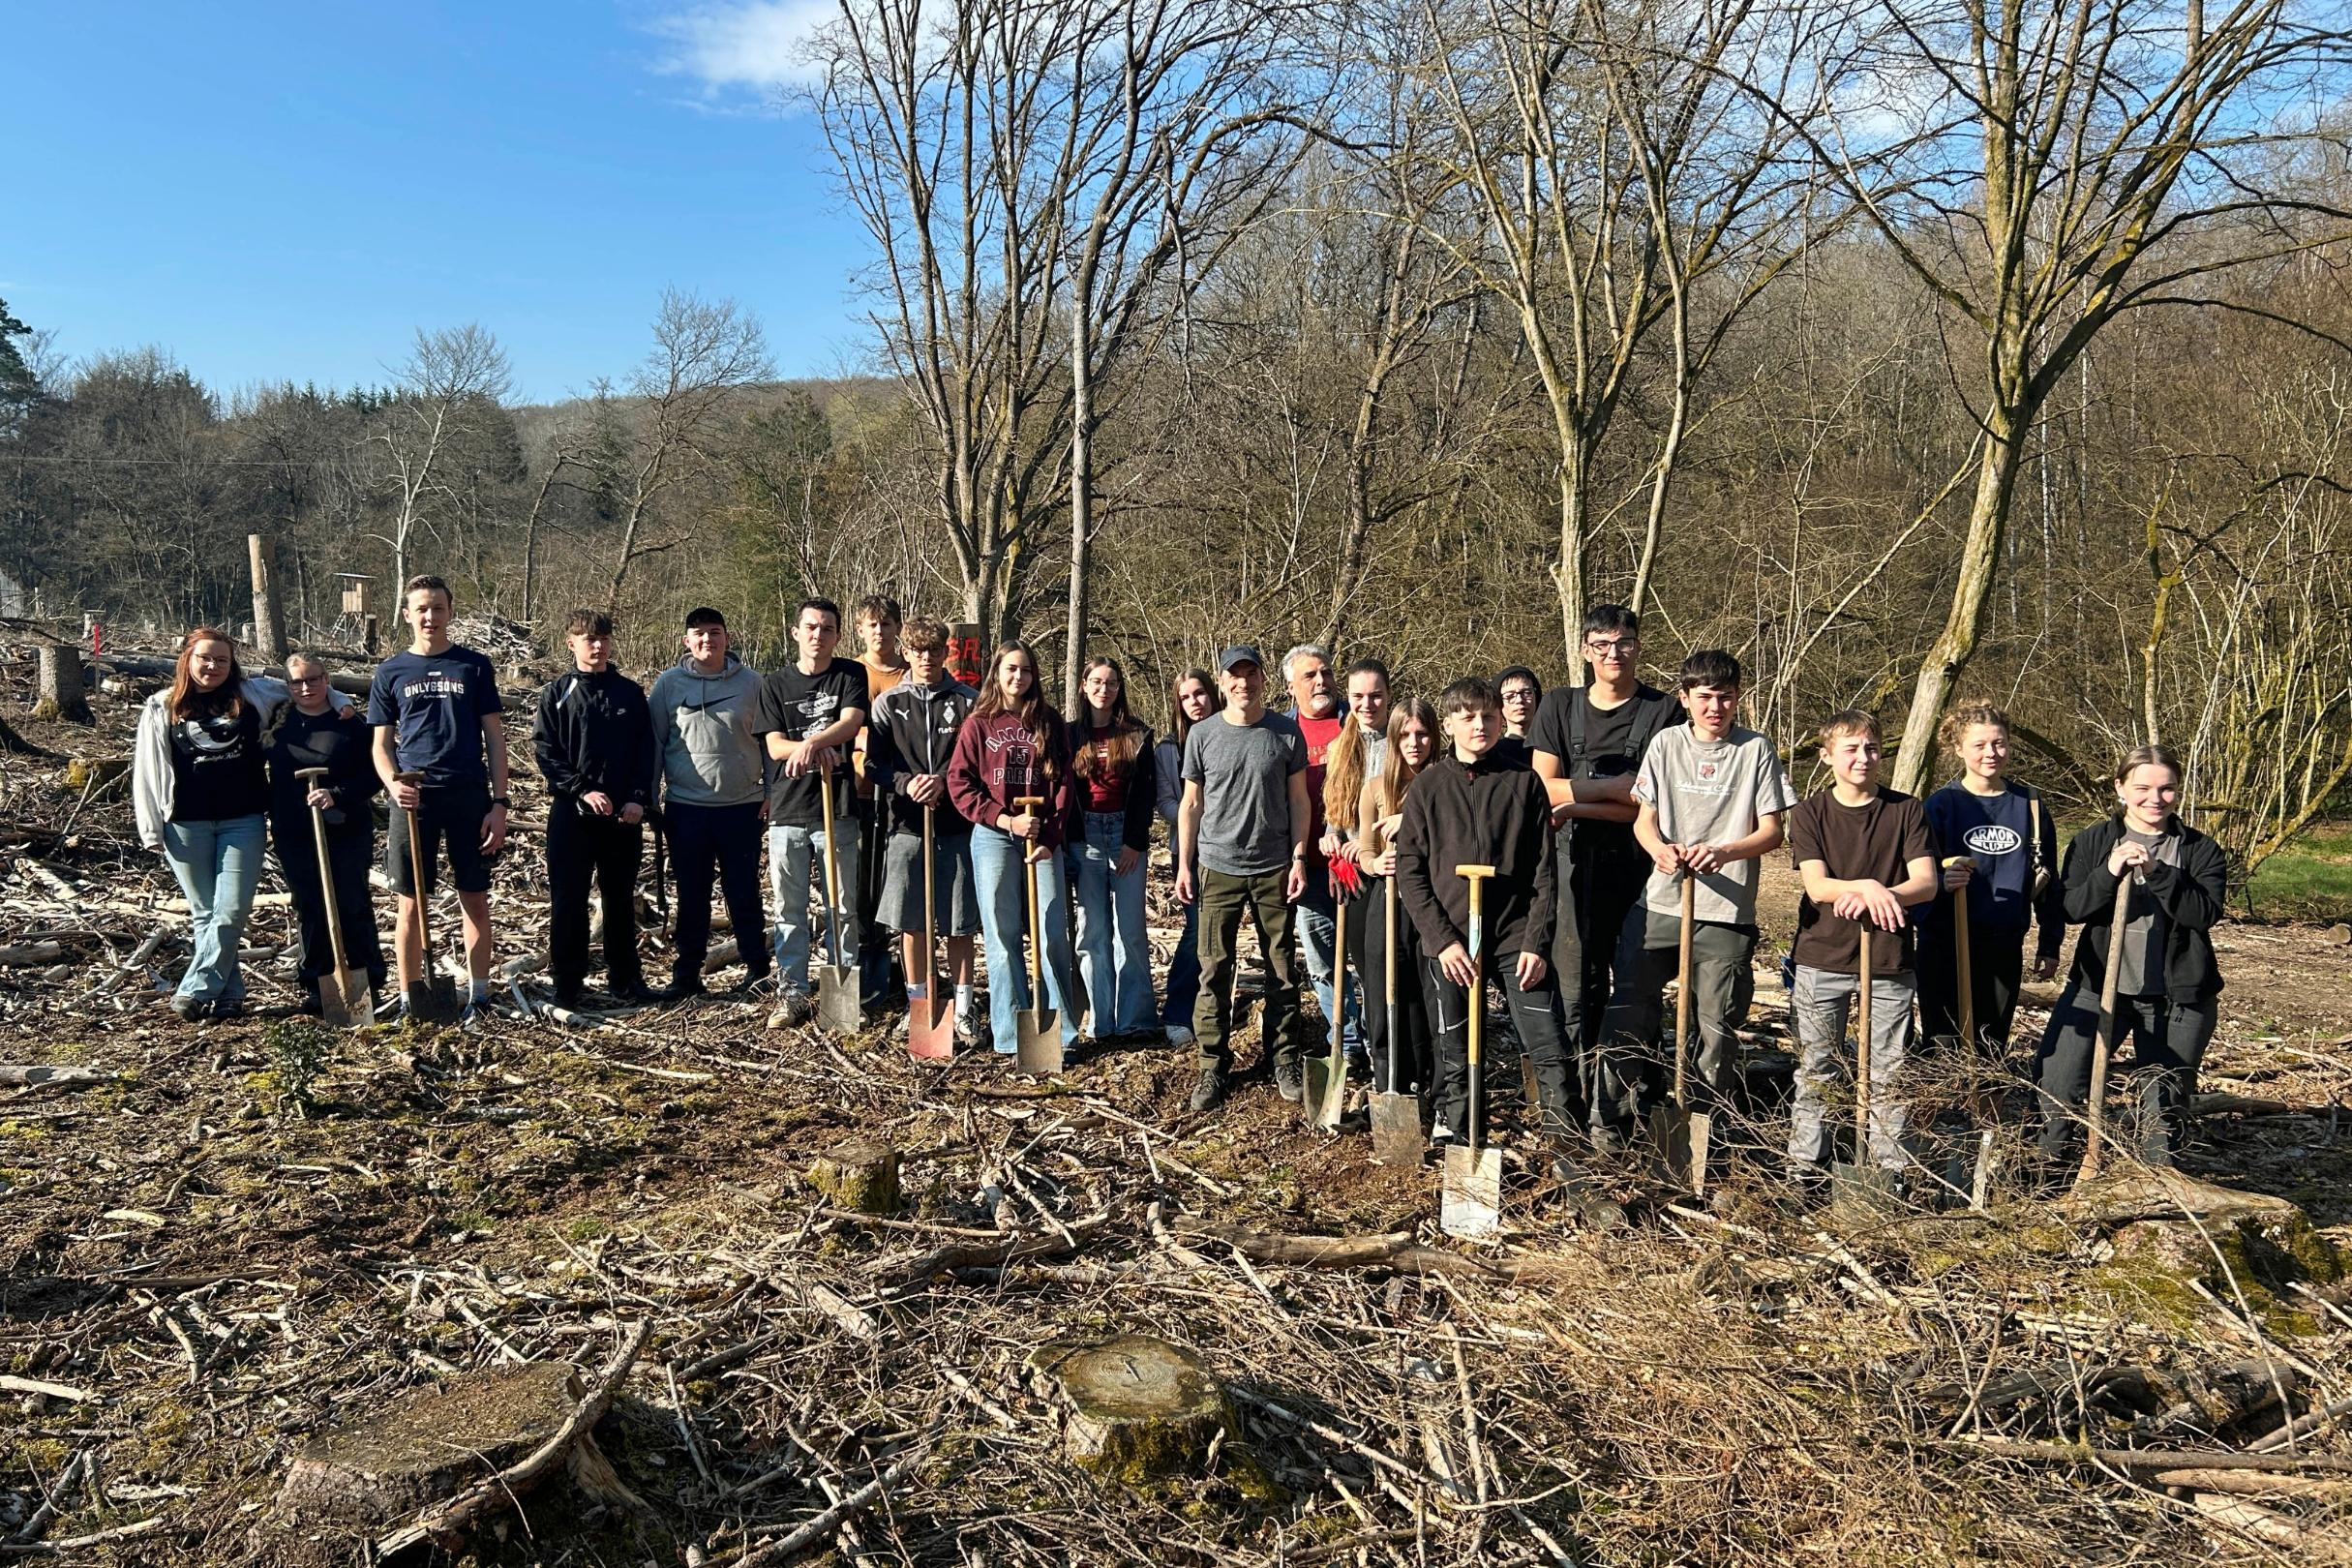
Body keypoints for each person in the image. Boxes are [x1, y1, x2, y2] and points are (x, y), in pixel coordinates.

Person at [1600, 650, 1794, 1140]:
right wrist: (1659, 851)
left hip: (1725, 913)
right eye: (1704, 697)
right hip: (1660, 905)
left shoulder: (1755, 750)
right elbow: (1645, 820)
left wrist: (1726, 850)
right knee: (1628, 1009)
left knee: (1716, 1029)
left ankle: (1703, 1130)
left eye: (1725, 697)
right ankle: (1615, 1119)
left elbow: (1772, 830)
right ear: (1685, 699)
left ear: (1737, 699)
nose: (1715, 707)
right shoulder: (1666, 744)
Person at [1394, 678, 1579, 1161]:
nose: (1481, 725)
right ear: (1449, 724)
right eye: (1469, 717)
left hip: (1514, 937)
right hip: (1452, 941)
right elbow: (1411, 874)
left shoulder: (1524, 782)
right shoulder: (1428, 789)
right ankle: (1465, 1144)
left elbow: (1545, 873)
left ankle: (1568, 1154)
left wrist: (1536, 943)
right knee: (1455, 1052)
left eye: (1489, 716)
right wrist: (1443, 940)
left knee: (1548, 1044)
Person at [1529, 604, 1681, 1146]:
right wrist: (1609, 792)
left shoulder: (1665, 711)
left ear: (1638, 646)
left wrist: (1576, 801)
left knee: (1635, 987)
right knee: (1574, 987)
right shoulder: (1559, 706)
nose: (1613, 654)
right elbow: (1540, 788)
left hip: (1644, 867)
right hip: (1568, 865)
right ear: (1586, 650)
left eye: (1623, 643)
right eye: (1601, 644)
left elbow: (1653, 803)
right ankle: (1570, 1099)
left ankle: (1623, 1098)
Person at [2035, 745, 2227, 1169]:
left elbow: (2203, 914)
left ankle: (2154, 1190)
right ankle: (2044, 1181)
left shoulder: (2199, 849)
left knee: (2162, 1102)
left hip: (2178, 997)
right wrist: (2110, 872)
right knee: (2057, 1084)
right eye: (2142, 788)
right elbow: (2070, 909)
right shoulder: (2094, 841)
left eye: (2167, 789)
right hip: (2099, 987)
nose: (2154, 799)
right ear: (2121, 788)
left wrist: (2158, 873)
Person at [1785, 709, 1940, 1184]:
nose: (1862, 758)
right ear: (1828, 755)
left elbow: (1927, 882)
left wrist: (1883, 893)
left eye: (1870, 748)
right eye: (1850, 749)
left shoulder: (1906, 810)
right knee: (1817, 1068)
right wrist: (1873, 887)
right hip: (1822, 956)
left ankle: (1888, 1171)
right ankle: (1805, 1169)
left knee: (1888, 1072)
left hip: (1890, 959)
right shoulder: (1809, 813)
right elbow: (1818, 887)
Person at [370, 575, 512, 1027]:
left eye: (438, 608)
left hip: (468, 796)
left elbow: (494, 738)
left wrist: (500, 803)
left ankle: (480, 994)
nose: (430, 617)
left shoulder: (473, 666)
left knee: (475, 896)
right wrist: (393, 783)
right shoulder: (391, 671)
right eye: (422, 609)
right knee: (411, 903)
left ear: (450, 612)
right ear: (407, 615)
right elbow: (380, 745)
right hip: (413, 802)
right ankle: (412, 996)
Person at [134, 628, 293, 1021]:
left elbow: (307, 686)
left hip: (244, 818)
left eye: (222, 660)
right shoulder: (161, 706)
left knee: (232, 909)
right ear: (188, 659)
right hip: (186, 824)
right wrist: (151, 827)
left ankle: (194, 988)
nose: (213, 666)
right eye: (205, 658)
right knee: (206, 912)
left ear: (231, 663)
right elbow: (147, 771)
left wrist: (340, 701)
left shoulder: (252, 694)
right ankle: (229, 996)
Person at [1178, 645, 1311, 1111]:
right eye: (1235, 676)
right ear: (1222, 681)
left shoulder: (1285, 733)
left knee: (1281, 971)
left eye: (1251, 674)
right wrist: (1185, 864)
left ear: (1262, 679)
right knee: (1213, 970)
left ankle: (1285, 1060)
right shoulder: (1203, 734)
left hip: (1274, 867)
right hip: (1218, 868)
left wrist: (1298, 858)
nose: (1244, 683)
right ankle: (1212, 1066)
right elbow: (1191, 804)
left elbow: (1299, 801)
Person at [947, 641, 1081, 1057]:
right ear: (997, 673)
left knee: (1050, 933)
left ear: (1033, 675)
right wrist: (1004, 820)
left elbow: (1063, 784)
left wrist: (1049, 838)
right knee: (1002, 937)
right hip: (994, 836)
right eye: (1010, 669)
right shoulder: (978, 724)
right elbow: (959, 783)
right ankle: (1009, 1032)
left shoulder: (1049, 722)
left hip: (1042, 837)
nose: (1017, 677)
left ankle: (1061, 1033)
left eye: (1025, 670)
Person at [1920, 699, 2064, 1061]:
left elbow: (2048, 879)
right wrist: (1941, 880)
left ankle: (1984, 1114)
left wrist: (2049, 943)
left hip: (2003, 942)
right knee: (1943, 1042)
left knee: (1990, 1042)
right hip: (1946, 941)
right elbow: (1917, 876)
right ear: (1959, 748)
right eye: (1979, 745)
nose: (1991, 753)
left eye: (1999, 743)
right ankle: (1940, 1113)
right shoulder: (1941, 805)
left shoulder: (2029, 805)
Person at [752, 597, 869, 1027]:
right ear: (796, 632)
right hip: (788, 812)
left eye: (827, 628)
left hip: (836, 811)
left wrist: (811, 743)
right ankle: (794, 994)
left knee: (842, 908)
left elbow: (851, 722)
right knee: (790, 909)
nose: (818, 635)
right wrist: (810, 747)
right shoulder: (775, 684)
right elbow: (774, 745)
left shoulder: (849, 675)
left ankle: (841, 1000)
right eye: (811, 627)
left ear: (837, 635)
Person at [867, 617, 981, 1045]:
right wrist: (906, 782)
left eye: (934, 650)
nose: (926, 658)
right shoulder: (889, 704)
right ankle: (919, 1005)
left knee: (958, 922)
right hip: (907, 828)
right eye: (917, 651)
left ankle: (965, 1008)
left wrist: (946, 784)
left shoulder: (969, 701)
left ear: (945, 652)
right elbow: (875, 764)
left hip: (956, 827)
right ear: (906, 653)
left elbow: (976, 765)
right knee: (912, 923)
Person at [533, 608, 657, 1008]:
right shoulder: (556, 693)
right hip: (573, 816)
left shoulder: (629, 692)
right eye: (590, 640)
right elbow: (546, 752)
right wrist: (581, 789)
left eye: (604, 639)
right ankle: (568, 982)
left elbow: (645, 749)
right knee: (568, 900)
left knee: (620, 897)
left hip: (624, 817)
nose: (599, 646)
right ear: (571, 643)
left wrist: (639, 797)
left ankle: (625, 978)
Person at [648, 607, 771, 1003]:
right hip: (686, 808)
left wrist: (771, 791)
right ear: (687, 640)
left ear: (727, 639)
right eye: (699, 634)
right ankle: (687, 973)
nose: (707, 640)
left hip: (742, 807)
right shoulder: (668, 685)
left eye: (714, 633)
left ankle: (758, 969)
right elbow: (653, 746)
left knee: (744, 892)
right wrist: (650, 798)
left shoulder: (754, 684)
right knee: (692, 894)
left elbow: (770, 743)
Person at [263, 650, 385, 1014]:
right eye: (297, 681)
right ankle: (317, 983)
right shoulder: (277, 721)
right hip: (294, 829)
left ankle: (367, 982)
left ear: (327, 680)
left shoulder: (350, 723)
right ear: (287, 686)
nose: (306, 687)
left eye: (313, 679)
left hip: (346, 827)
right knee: (310, 905)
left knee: (352, 902)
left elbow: (374, 773)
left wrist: (338, 794)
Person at [1067, 656, 1158, 1040]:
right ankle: (1100, 1019)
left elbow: (1147, 793)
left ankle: (1134, 1018)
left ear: (1120, 690)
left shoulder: (1137, 735)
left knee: (1131, 931)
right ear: (1085, 686)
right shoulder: (1069, 736)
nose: (1105, 690)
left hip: (1125, 838)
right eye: (1098, 682)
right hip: (1084, 838)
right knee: (1093, 932)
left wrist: (1135, 842)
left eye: (1112, 683)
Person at [1356, 697, 1438, 1100]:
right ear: (1392, 739)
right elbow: (1365, 851)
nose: (1414, 742)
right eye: (1405, 735)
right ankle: (1389, 1081)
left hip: (1432, 904)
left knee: (1425, 998)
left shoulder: (1445, 784)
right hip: (1386, 902)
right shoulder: (1375, 789)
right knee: (1383, 990)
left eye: (1422, 734)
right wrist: (1375, 866)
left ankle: (1429, 1084)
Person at [1283, 644, 1362, 1060]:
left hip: (1358, 864)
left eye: (1326, 673)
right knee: (1323, 962)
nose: (1321, 682)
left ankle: (1379, 1039)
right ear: (1291, 686)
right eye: (1310, 676)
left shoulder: (1357, 722)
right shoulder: (1283, 731)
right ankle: (1347, 1042)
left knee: (1369, 959)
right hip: (1309, 868)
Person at [1320, 658, 1391, 1077]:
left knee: (1389, 969)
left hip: (1394, 867)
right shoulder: (1340, 746)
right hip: (1354, 870)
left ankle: (1393, 1054)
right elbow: (1336, 807)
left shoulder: (1402, 740)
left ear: (1388, 695)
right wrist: (1333, 837)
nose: (1368, 704)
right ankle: (1367, 1044)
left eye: (1376, 695)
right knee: (1363, 966)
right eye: (1359, 696)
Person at [1155, 669, 1222, 1046]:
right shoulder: (1168, 748)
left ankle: (1213, 1008)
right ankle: (1178, 1011)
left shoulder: (1231, 732)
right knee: (1197, 931)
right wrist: (1196, 811)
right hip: (1189, 850)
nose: (1195, 702)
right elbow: (1165, 801)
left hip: (1231, 849)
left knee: (1219, 934)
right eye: (1186, 697)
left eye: (1200, 694)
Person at [853, 593, 909, 1009]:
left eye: (886, 624)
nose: (879, 631)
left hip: (900, 794)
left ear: (897, 630)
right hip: (857, 790)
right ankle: (867, 957)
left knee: (898, 881)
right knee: (861, 883)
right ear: (861, 629)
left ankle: (904, 963)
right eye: (872, 624)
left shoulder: (911, 674)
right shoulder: (851, 673)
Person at [1495, 666, 1542, 742]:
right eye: (1509, 696)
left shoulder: (1555, 748)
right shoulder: (1492, 751)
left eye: (1526, 693)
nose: (1519, 700)